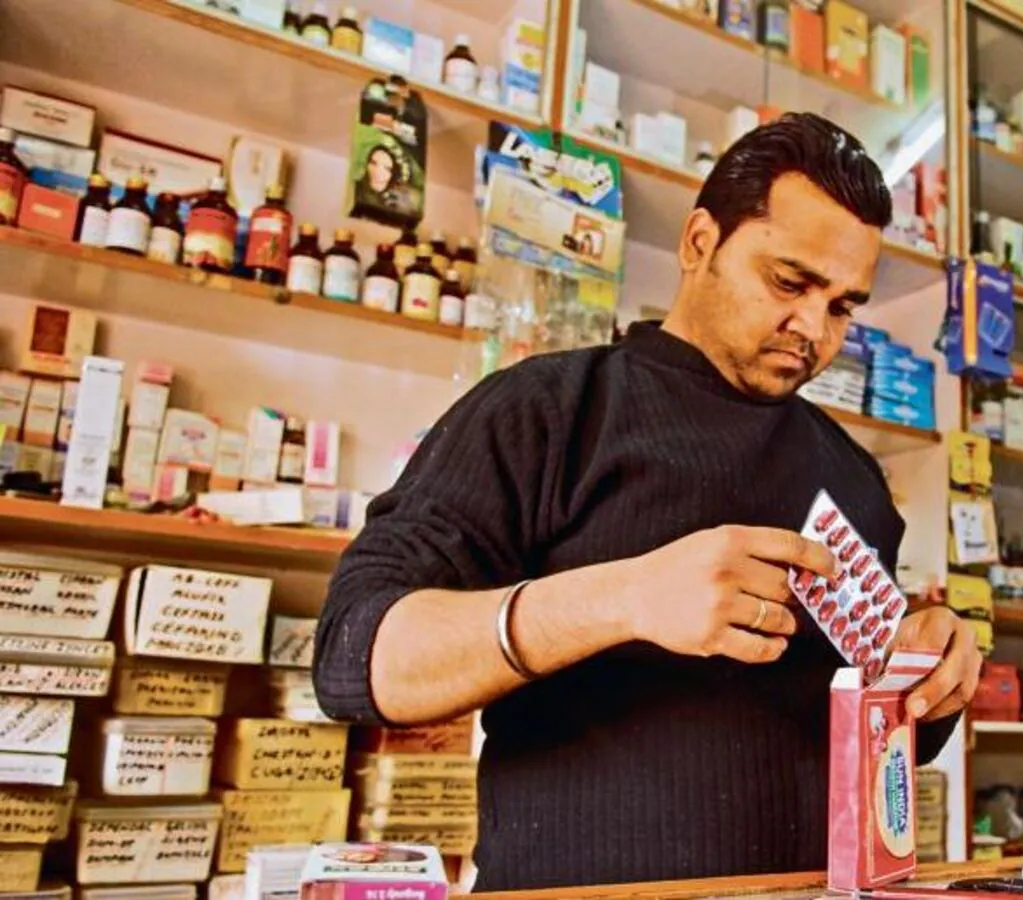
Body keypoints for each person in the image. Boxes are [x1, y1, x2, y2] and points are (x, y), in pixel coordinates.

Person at [313, 112, 981, 890]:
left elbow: (877, 738)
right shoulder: (547, 410)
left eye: (841, 306)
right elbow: (357, 657)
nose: (812, 329)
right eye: (789, 282)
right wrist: (622, 598)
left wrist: (928, 680)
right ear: (698, 243)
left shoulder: (856, 478)